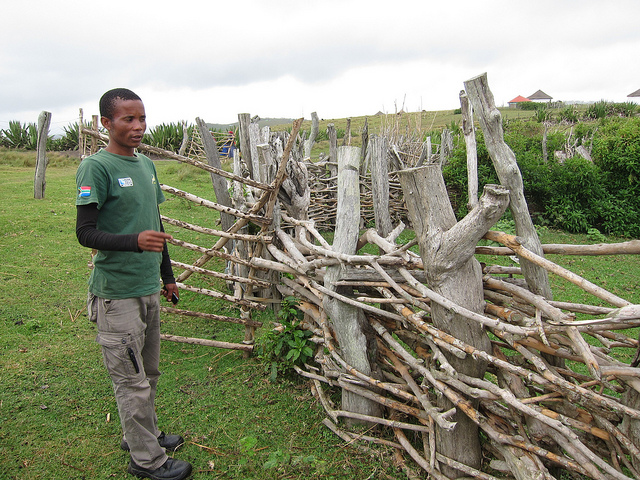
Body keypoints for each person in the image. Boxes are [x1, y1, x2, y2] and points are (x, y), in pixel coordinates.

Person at [75, 88, 192, 480]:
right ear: (106, 123)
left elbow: (154, 225)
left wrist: (167, 276)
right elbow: (85, 233)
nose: (138, 126)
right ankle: (147, 460)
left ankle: (141, 434)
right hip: (117, 293)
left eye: (142, 118)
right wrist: (132, 241)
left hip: (147, 287)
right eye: (128, 119)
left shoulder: (146, 165)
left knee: (150, 373)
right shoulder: (97, 167)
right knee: (131, 380)